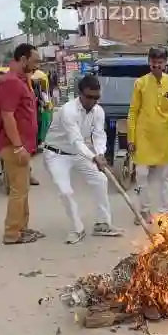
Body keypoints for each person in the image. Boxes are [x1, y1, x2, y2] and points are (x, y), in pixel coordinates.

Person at [44, 75, 123, 243]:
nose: (93, 101)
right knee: (65, 191)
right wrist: (94, 157)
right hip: (56, 154)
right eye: (89, 97)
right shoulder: (67, 111)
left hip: (79, 154)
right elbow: (76, 140)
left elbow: (99, 135)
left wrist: (100, 153)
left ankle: (102, 223)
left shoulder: (98, 111)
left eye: (96, 97)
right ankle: (77, 228)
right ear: (80, 94)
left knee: (101, 180)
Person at [127, 47, 168, 223]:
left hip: (164, 137)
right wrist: (131, 138)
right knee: (142, 174)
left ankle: (165, 208)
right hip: (143, 136)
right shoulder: (140, 83)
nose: (157, 65)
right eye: (154, 62)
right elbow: (133, 112)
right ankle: (143, 210)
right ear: (149, 62)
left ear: (165, 63)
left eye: (160, 62)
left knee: (165, 176)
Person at [0, 43, 43, 245]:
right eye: (34, 61)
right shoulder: (11, 82)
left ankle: (22, 228)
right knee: (18, 190)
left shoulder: (22, 80)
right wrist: (18, 146)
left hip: (22, 145)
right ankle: (12, 233)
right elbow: (7, 116)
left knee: (22, 189)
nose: (36, 65)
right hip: (14, 146)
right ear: (23, 59)